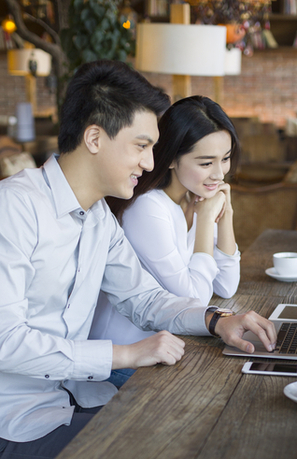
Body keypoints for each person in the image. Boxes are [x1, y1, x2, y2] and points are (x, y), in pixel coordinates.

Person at [0, 60, 276, 459]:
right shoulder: (10, 209)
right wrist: (126, 354)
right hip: (4, 429)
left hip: (68, 399)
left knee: (200, 421)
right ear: (95, 138)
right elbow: (4, 344)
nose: (150, 162)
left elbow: (144, 299)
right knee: (176, 458)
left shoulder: (97, 216)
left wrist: (217, 320)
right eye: (141, 146)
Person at [90, 96, 241, 375]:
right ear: (172, 158)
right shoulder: (148, 208)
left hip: (170, 344)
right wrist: (207, 220)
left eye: (226, 158)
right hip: (126, 356)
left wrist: (226, 216)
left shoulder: (193, 195)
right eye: (206, 163)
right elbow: (196, 297)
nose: (219, 174)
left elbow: (227, 285)